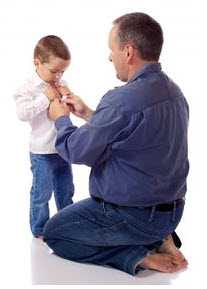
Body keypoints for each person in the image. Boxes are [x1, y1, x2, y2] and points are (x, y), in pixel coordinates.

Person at [44, 12, 189, 275]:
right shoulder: (174, 92)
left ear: (128, 51)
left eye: (112, 49)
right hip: (171, 213)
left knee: (55, 233)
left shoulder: (123, 100)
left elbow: (76, 151)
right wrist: (89, 113)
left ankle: (138, 254)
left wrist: (61, 120)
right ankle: (160, 237)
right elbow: (134, 134)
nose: (110, 57)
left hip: (132, 216)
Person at [13, 35, 75, 239]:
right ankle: (40, 229)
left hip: (63, 148)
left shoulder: (60, 82)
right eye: (54, 71)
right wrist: (45, 98)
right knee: (42, 193)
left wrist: (68, 98)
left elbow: (65, 112)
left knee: (66, 190)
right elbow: (22, 114)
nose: (58, 76)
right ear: (37, 63)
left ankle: (68, 224)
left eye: (62, 71)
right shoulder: (28, 88)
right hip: (41, 151)